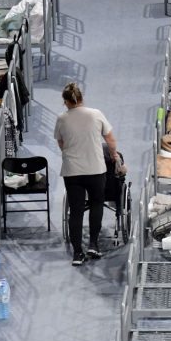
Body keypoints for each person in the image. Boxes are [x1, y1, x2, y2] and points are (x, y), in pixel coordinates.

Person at [54, 82, 120, 266]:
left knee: (75, 211)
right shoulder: (96, 114)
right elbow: (110, 139)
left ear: (66, 101)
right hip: (95, 169)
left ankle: (77, 253)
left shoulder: (62, 118)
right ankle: (93, 244)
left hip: (72, 171)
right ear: (81, 98)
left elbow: (61, 143)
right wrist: (114, 155)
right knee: (97, 204)